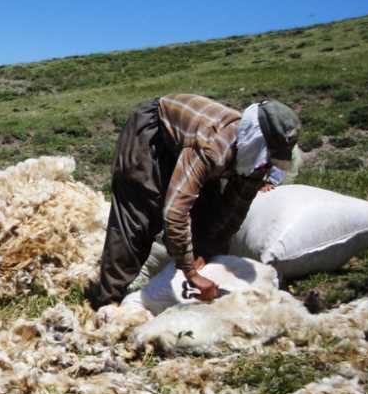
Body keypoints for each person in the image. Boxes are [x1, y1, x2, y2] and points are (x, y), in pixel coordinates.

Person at [93, 94, 300, 307]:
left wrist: (207, 252)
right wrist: (191, 273)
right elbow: (175, 212)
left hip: (190, 144)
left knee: (209, 212)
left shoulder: (254, 162)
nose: (265, 166)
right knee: (139, 217)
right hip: (154, 133)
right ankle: (108, 300)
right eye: (266, 157)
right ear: (256, 143)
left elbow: (235, 209)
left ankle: (188, 288)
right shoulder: (213, 147)